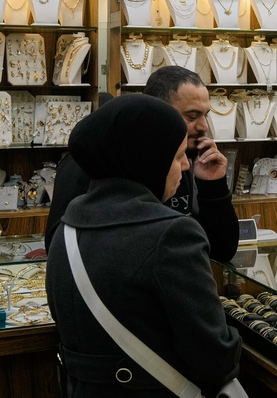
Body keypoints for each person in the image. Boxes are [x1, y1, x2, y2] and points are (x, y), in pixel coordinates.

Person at [45, 95, 253, 398]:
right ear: (146, 158)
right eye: (177, 157)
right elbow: (211, 354)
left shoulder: (67, 229)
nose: (182, 167)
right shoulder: (171, 234)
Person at [45, 67, 238, 260]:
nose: (204, 126)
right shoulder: (89, 163)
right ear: (156, 112)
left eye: (206, 115)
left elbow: (220, 250)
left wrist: (213, 187)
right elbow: (62, 248)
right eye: (192, 116)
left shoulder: (185, 162)